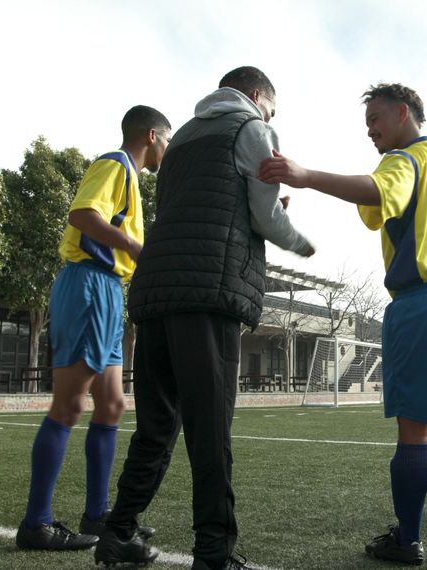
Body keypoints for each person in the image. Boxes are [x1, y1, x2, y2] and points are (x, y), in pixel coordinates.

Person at [259, 83, 427, 570]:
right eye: (366, 125)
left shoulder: (405, 160)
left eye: (376, 121)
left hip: (426, 302)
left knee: (415, 433)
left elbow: (378, 189)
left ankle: (407, 541)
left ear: (404, 114)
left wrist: (305, 176)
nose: (371, 132)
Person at [94, 66, 315, 570]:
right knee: (210, 427)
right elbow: (263, 216)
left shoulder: (184, 139)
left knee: (155, 425)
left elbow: (191, 206)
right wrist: (299, 240)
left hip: (156, 290)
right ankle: (214, 552)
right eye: (272, 108)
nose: (270, 117)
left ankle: (119, 532)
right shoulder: (252, 128)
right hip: (206, 290)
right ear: (258, 96)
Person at [15, 106, 172, 551]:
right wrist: (135, 249)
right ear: (151, 135)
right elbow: (83, 214)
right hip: (87, 284)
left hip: (107, 292)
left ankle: (98, 514)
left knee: (113, 404)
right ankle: (36, 524)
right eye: (168, 139)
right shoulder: (115, 164)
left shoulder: (134, 181)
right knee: (69, 405)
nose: (168, 149)